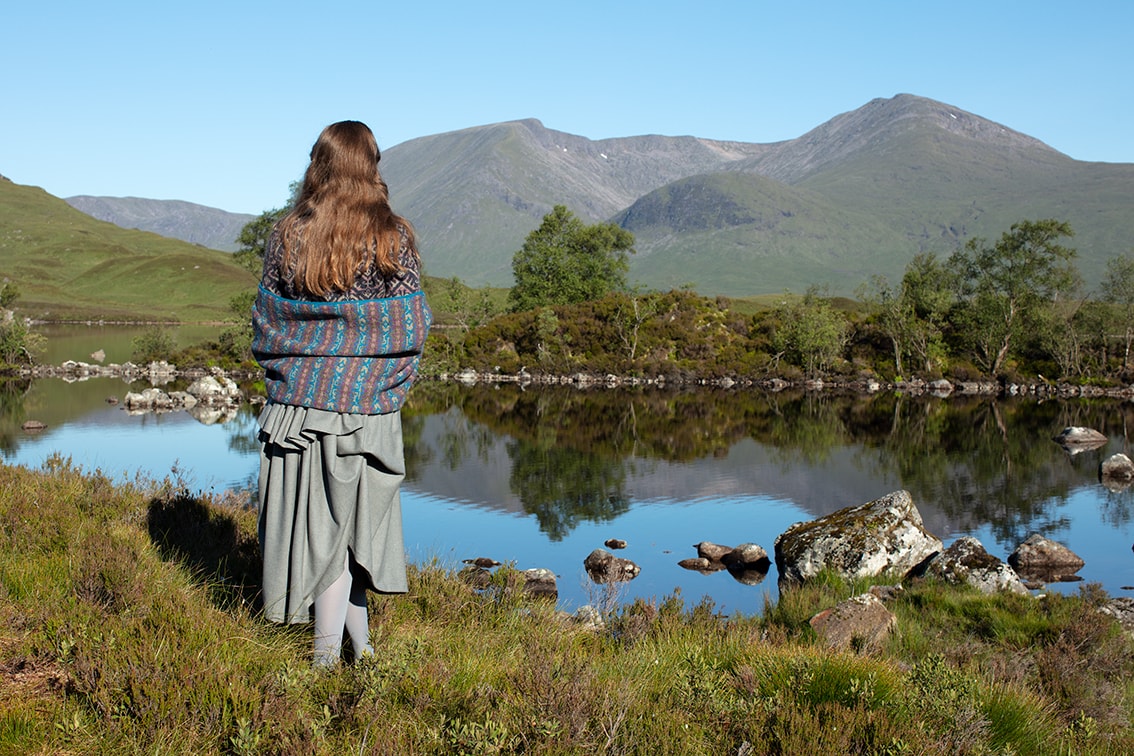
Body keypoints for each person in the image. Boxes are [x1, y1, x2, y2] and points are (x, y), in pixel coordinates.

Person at [251, 120, 431, 667]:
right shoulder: (393, 236)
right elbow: (410, 326)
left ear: (318, 164)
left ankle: (349, 652)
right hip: (368, 408)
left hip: (301, 406)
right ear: (371, 165)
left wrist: (307, 368)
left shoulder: (288, 235)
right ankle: (333, 661)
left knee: (330, 534)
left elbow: (268, 319)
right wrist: (383, 384)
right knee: (345, 533)